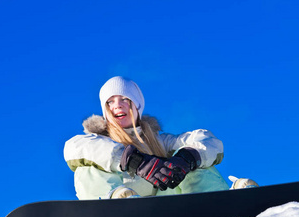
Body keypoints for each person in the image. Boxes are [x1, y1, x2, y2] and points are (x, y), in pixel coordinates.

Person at [64, 76, 257, 199]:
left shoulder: (158, 142)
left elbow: (207, 140)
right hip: (118, 208)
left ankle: (220, 200)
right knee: (88, 166)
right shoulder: (95, 140)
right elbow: (73, 147)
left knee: (195, 160)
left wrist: (188, 158)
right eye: (110, 102)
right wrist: (134, 161)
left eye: (125, 99)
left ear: (137, 107)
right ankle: (118, 203)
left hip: (161, 205)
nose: (117, 105)